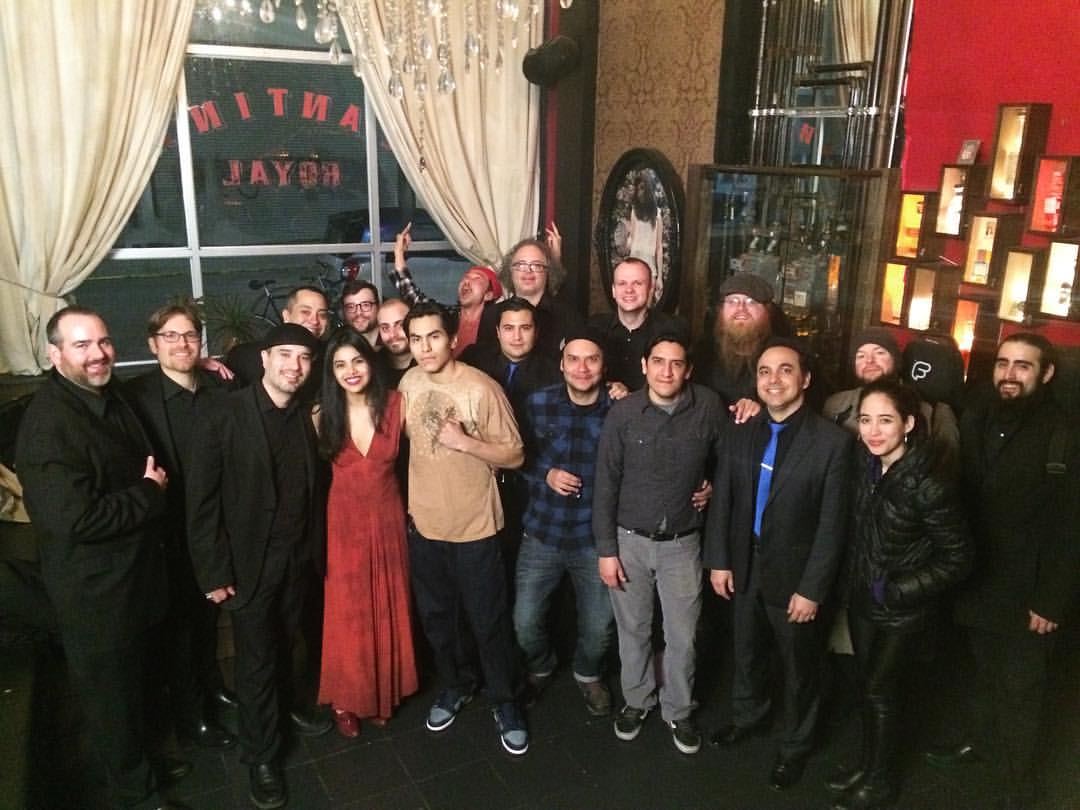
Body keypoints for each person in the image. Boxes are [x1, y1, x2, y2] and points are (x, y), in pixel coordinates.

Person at [15, 306, 187, 810]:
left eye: (104, 342)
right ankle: (138, 793)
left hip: (131, 580)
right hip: (95, 594)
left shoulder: (107, 395)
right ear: (54, 355)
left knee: (133, 689)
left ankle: (143, 765)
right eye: (82, 345)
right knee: (111, 702)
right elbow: (74, 520)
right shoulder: (48, 425)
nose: (98, 354)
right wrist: (149, 493)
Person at [925, 333, 1079, 810]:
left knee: (1022, 691)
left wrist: (1051, 600)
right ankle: (979, 743)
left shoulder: (1065, 434)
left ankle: (1018, 786)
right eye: (1003, 363)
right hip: (976, 579)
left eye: (1022, 366)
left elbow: (1071, 527)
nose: (1009, 374)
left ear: (1046, 374)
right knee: (979, 673)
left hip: (1027, 591)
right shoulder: (977, 415)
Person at [186, 324, 331, 810]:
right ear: (264, 359)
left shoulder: (302, 415)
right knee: (256, 662)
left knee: (286, 645)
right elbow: (201, 502)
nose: (294, 365)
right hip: (249, 565)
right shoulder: (224, 414)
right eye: (285, 355)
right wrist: (213, 573)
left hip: (297, 558)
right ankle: (261, 755)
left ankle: (286, 710)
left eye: (304, 358)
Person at [706, 337, 852, 791]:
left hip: (796, 578)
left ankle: (795, 747)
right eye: (765, 371)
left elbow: (833, 525)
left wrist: (812, 589)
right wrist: (719, 561)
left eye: (785, 370)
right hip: (744, 566)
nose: (773, 380)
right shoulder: (741, 430)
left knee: (799, 669)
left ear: (805, 380)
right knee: (746, 652)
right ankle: (748, 717)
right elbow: (724, 500)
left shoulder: (833, 443)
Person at [827, 380, 972, 810]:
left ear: (908, 424)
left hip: (902, 610)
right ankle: (867, 766)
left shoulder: (929, 481)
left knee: (880, 690)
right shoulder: (865, 465)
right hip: (863, 600)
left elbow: (959, 557)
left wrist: (897, 590)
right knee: (866, 686)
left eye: (885, 420)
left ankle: (880, 782)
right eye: (865, 419)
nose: (873, 431)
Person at [398, 301, 530, 755]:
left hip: (475, 529)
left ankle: (506, 701)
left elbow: (516, 455)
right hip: (425, 527)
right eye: (416, 339)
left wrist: (466, 442)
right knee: (438, 620)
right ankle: (456, 685)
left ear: (453, 339)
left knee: (488, 622)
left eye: (434, 337)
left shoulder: (481, 388)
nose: (425, 348)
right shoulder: (409, 382)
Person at [593, 334, 722, 755]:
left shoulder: (707, 407)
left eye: (676, 363)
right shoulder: (624, 413)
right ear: (644, 366)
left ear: (688, 370)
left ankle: (679, 709)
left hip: (682, 543)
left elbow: (730, 461)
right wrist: (606, 551)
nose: (667, 371)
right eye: (659, 362)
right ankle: (637, 700)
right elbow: (605, 482)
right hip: (629, 540)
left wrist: (713, 486)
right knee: (633, 629)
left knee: (683, 634)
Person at [126, 302, 236, 751]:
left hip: (212, 528)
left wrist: (209, 365)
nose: (181, 344)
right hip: (166, 532)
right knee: (179, 630)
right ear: (153, 345)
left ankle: (213, 686)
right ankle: (193, 717)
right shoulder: (133, 397)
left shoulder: (219, 388)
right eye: (170, 336)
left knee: (208, 619)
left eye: (189, 335)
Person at [315, 330, 418, 737]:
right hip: (343, 525)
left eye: (357, 361)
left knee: (387, 604)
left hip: (387, 519)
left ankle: (381, 693)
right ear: (331, 372)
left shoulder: (396, 404)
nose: (351, 371)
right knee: (347, 614)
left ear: (370, 363)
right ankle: (346, 699)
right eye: (340, 364)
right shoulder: (321, 414)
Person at [513, 328, 616, 716]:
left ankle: (588, 674)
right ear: (561, 365)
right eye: (573, 359)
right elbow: (515, 455)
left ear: (604, 366)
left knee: (599, 629)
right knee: (524, 623)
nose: (582, 368)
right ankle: (541, 666)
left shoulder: (621, 409)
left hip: (596, 538)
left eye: (592, 359)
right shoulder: (538, 403)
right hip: (543, 532)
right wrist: (545, 473)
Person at [823, 327, 959, 472]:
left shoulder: (933, 411)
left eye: (879, 353)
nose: (869, 360)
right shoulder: (836, 405)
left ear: (895, 359)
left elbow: (947, 469)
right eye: (861, 356)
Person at [387, 222, 503, 356]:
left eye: (476, 278)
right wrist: (399, 252)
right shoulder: (447, 315)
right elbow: (411, 293)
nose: (467, 281)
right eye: (466, 277)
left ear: (489, 295)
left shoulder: (497, 322)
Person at [588, 258, 688, 392]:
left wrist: (632, 398)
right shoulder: (594, 327)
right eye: (622, 283)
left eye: (637, 283)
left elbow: (680, 383)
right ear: (613, 290)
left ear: (651, 289)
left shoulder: (674, 329)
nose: (629, 290)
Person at [479, 236, 584, 359]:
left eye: (536, 265)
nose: (528, 271)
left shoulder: (569, 317)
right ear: (510, 271)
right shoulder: (491, 315)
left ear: (548, 273)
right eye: (520, 265)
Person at [224, 285, 331, 401]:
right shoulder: (246, 357)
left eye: (322, 315)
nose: (315, 321)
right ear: (286, 316)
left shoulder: (331, 356)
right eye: (305, 312)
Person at [623, 173, 664, 302]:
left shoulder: (657, 215)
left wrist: (660, 277)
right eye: (637, 189)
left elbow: (659, 248)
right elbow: (632, 239)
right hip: (635, 262)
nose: (639, 192)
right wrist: (627, 238)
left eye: (642, 188)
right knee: (634, 303)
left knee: (647, 305)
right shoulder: (634, 212)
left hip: (650, 266)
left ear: (648, 190)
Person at [374, 298, 415, 388]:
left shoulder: (430, 362)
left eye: (400, 325)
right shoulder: (372, 366)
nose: (392, 335)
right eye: (385, 328)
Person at [339, 280, 381, 347]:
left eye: (366, 305)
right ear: (344, 311)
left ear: (378, 306)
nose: (358, 313)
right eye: (351, 307)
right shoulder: (339, 345)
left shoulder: (393, 339)